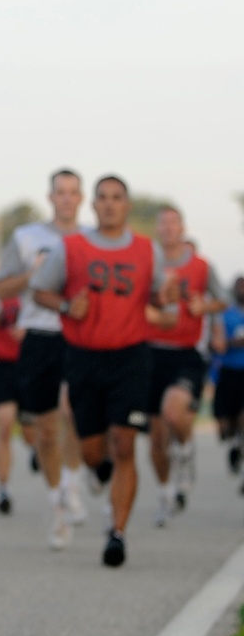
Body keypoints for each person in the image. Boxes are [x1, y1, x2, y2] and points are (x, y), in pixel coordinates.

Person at [32, 176, 174, 567]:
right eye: (103, 198)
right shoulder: (71, 247)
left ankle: (117, 533)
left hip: (131, 357)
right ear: (93, 205)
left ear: (127, 205)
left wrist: (167, 297)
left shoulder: (147, 249)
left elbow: (160, 297)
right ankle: (98, 469)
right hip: (84, 357)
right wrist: (66, 307)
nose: (110, 204)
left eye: (117, 198)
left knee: (125, 444)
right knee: (93, 451)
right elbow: (40, 291)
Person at [0, 170, 89, 550]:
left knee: (76, 413)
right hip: (38, 336)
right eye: (60, 192)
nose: (66, 198)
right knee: (46, 431)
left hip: (79, 335)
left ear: (81, 198)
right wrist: (32, 275)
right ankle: (57, 507)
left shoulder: (91, 239)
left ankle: (74, 483)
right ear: (51, 197)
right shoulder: (26, 237)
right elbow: (0, 288)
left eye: (72, 192)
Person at [146, 208, 227, 523]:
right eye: (163, 224)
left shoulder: (201, 266)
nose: (168, 229)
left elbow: (222, 300)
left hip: (186, 352)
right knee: (156, 436)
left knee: (173, 411)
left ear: (182, 228)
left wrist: (204, 305)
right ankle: (165, 492)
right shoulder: (147, 262)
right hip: (150, 350)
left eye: (173, 223)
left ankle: (187, 448)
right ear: (157, 229)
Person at [0, 295, 34, 515]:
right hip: (4, 367)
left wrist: (30, 332)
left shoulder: (34, 292)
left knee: (30, 432)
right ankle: (3, 489)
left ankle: (36, 450)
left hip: (30, 364)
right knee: (4, 427)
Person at [211, 275, 244, 486]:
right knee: (224, 426)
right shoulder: (224, 314)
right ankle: (233, 445)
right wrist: (234, 342)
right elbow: (217, 343)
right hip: (227, 373)